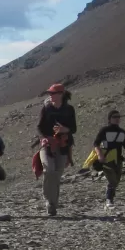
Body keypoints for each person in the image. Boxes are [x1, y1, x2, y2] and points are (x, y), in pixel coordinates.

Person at [36, 83, 77, 216]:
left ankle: (53, 203)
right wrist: (43, 138)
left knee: (57, 174)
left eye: (53, 93)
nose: (50, 96)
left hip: (63, 145)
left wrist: (65, 129)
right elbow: (39, 127)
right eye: (50, 94)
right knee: (49, 170)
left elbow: (74, 128)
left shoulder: (69, 109)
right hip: (48, 144)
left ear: (61, 94)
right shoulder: (46, 109)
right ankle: (49, 201)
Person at [92, 109, 125, 208]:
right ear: (109, 119)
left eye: (118, 117)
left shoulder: (122, 132)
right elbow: (96, 143)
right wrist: (100, 155)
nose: (117, 119)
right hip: (107, 159)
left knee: (117, 180)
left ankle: (110, 196)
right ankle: (109, 200)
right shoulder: (104, 130)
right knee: (112, 180)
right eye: (114, 117)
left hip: (118, 159)